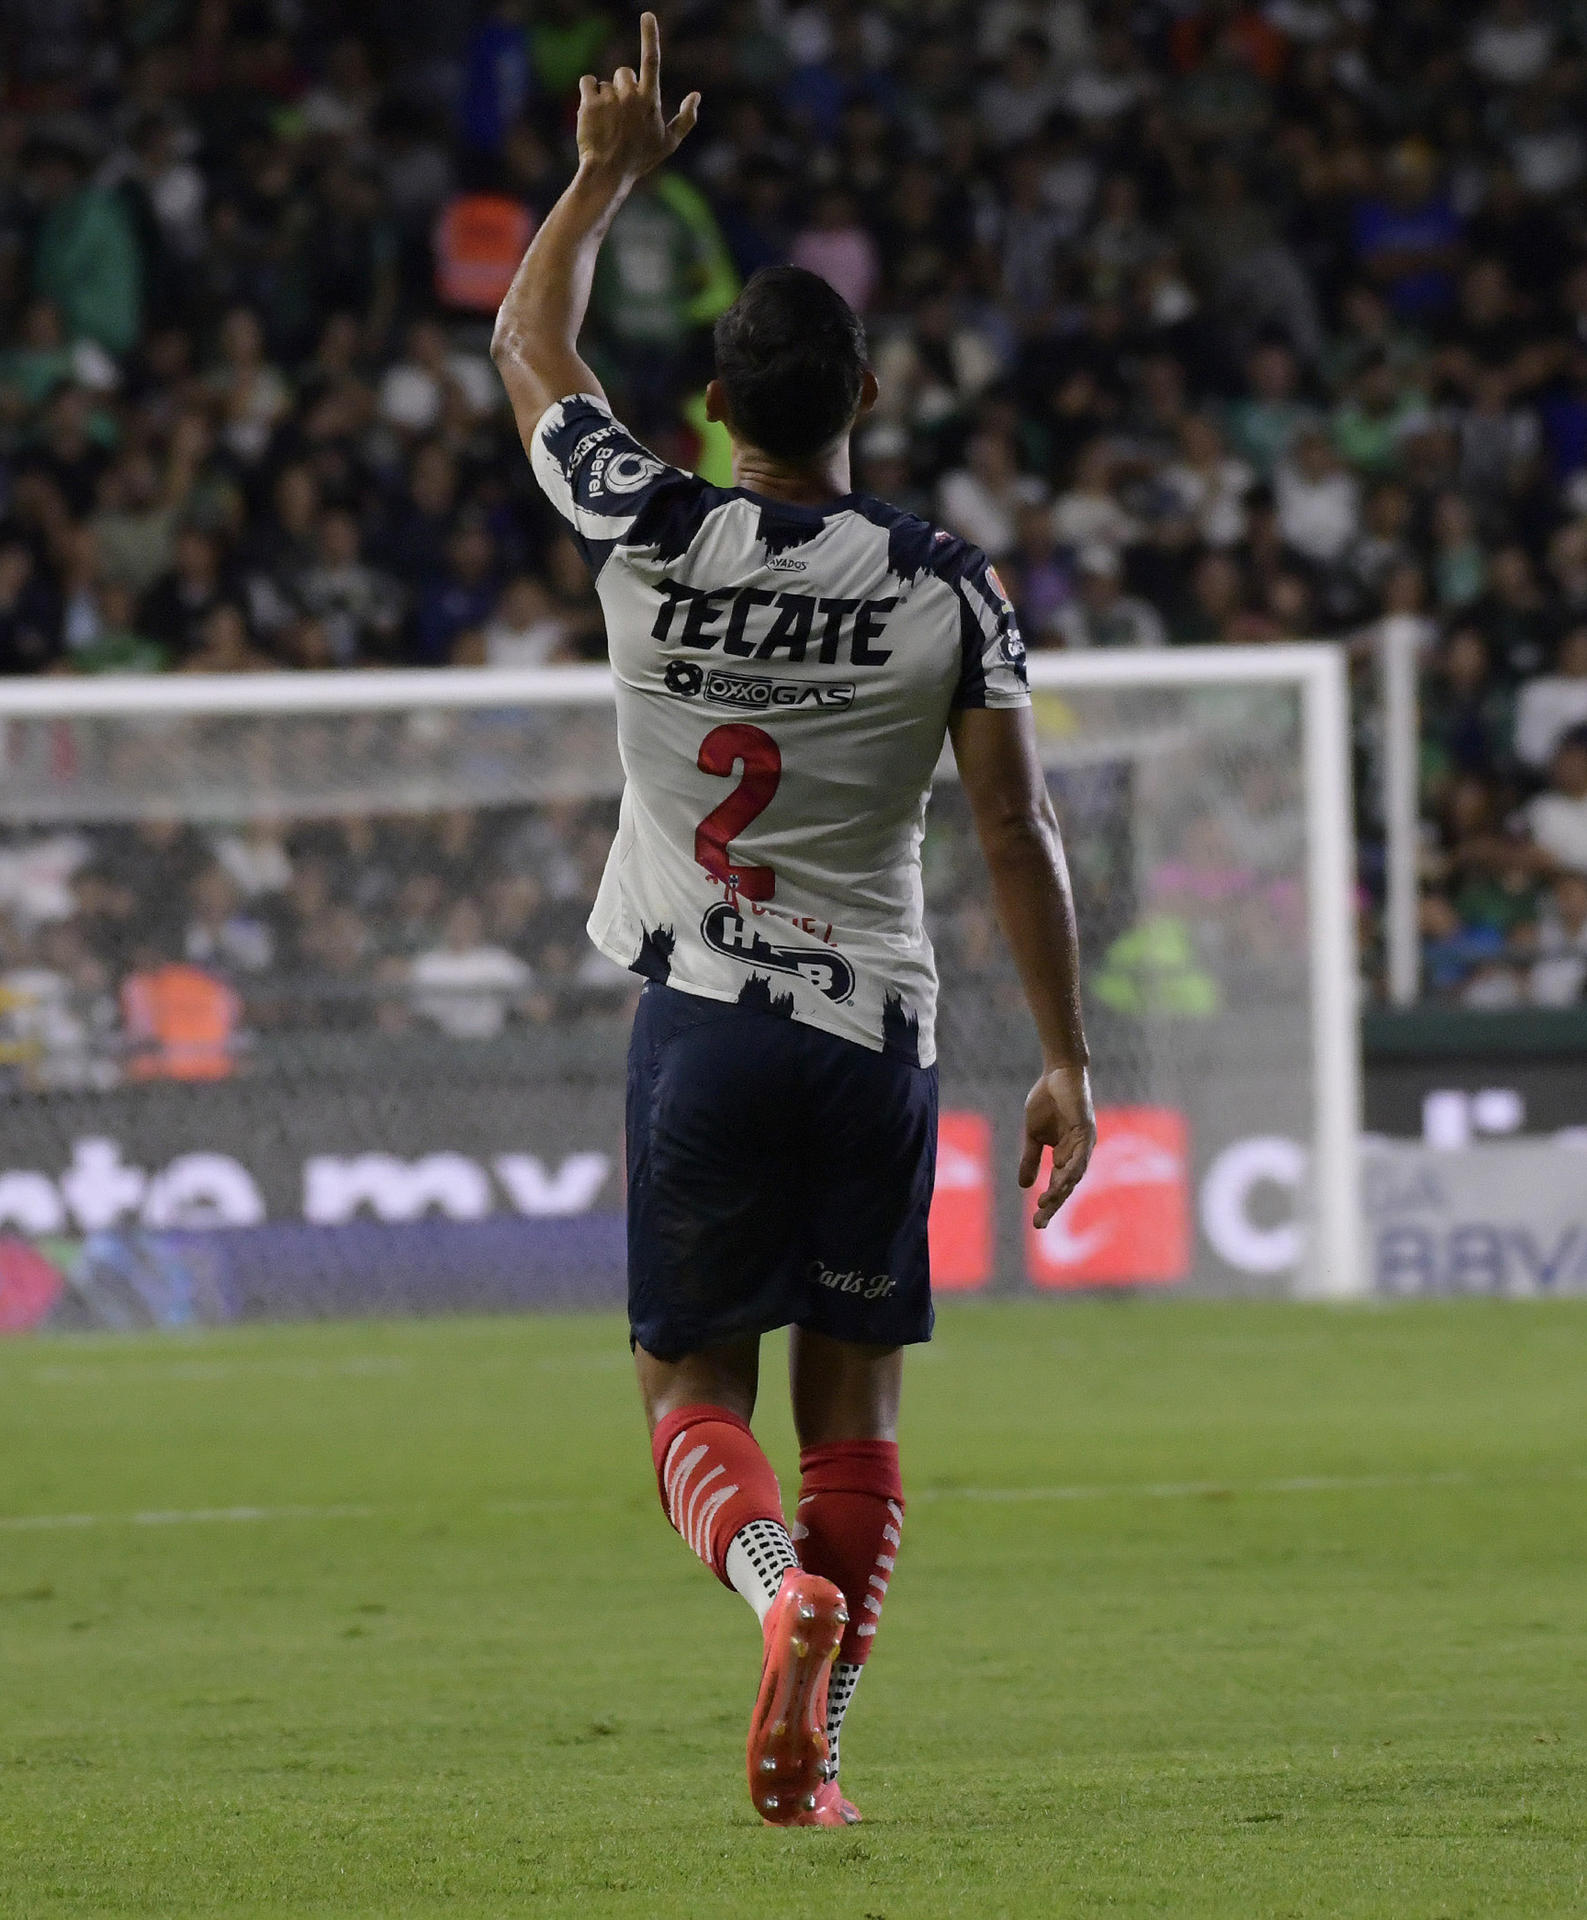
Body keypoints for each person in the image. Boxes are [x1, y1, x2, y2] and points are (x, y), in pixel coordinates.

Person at [490, 16, 1094, 1831]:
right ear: (869, 403)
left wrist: (603, 176)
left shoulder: (645, 527)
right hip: (875, 1037)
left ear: (714, 414)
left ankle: (777, 1604)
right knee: (859, 1414)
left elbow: (526, 342)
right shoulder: (943, 582)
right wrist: (1066, 1054)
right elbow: (1014, 819)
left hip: (700, 1022)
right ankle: (819, 1748)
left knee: (689, 1380)